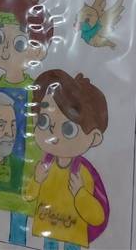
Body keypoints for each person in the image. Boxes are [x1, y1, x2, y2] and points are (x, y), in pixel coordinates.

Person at [0, 0, 54, 245]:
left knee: (19, 231)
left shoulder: (39, 94)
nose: (6, 50)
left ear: (38, 51)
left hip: (23, 177)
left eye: (19, 44)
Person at [26, 69, 109, 250]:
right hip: (47, 232)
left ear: (94, 137)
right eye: (43, 121)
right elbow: (28, 196)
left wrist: (80, 193)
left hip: (73, 236)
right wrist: (37, 180)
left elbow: (97, 217)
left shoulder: (83, 174)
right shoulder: (45, 164)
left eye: (68, 129)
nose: (53, 134)